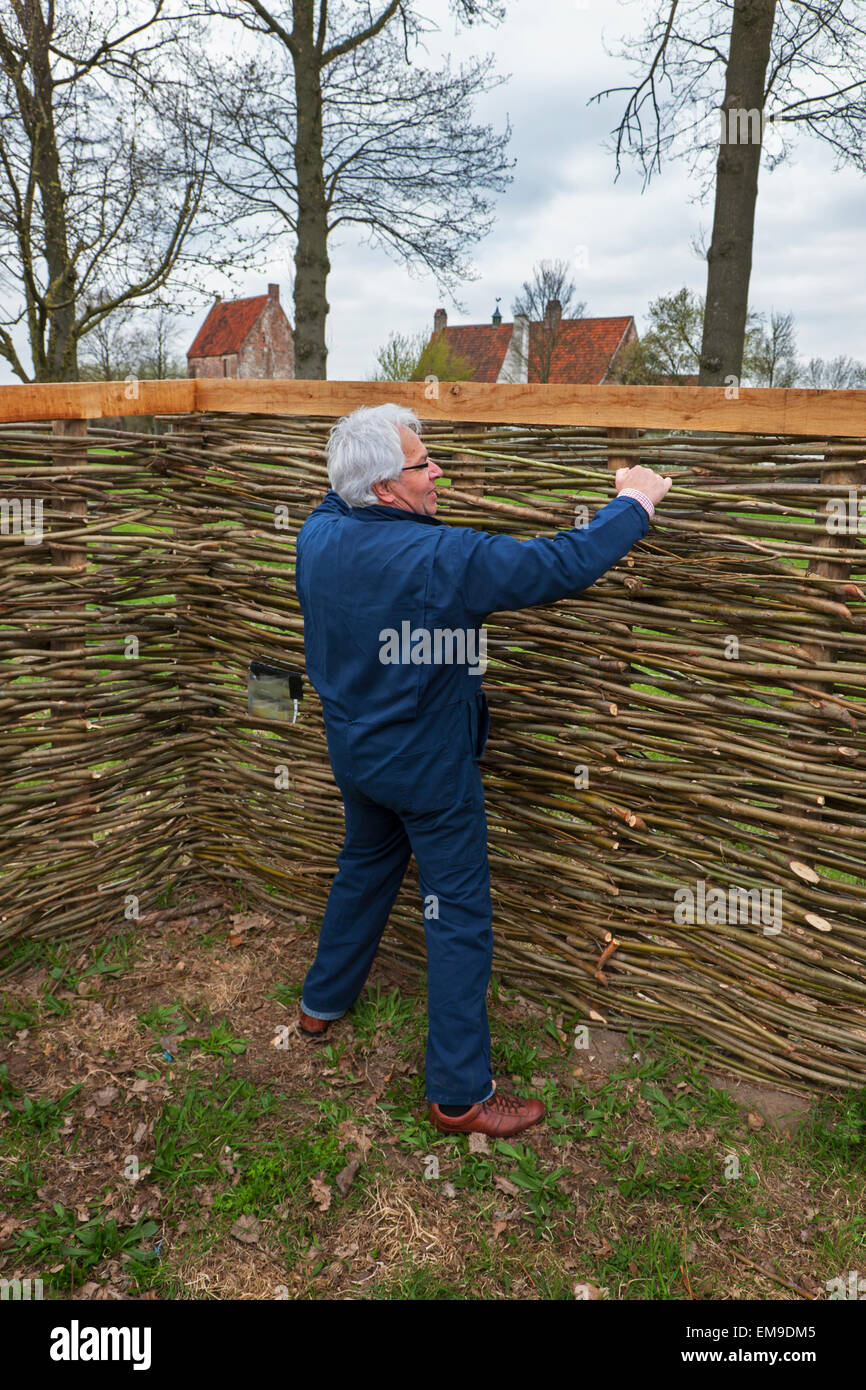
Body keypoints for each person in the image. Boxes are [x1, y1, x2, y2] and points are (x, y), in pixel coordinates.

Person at [294, 403, 672, 1137]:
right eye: (422, 464)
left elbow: (338, 495)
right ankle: (460, 1095)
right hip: (428, 771)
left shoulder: (317, 534)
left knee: (365, 868)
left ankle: (321, 1005)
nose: (438, 472)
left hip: (355, 753)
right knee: (458, 916)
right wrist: (634, 500)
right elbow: (559, 564)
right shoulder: (439, 559)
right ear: (381, 489)